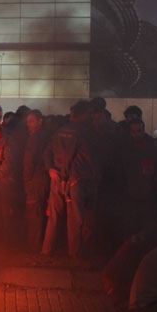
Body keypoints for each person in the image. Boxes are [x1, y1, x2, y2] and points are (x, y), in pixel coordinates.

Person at [42, 101, 98, 260]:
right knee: (74, 219)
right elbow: (72, 157)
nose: (91, 117)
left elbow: (47, 152)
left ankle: (47, 250)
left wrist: (51, 169)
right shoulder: (84, 133)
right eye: (89, 114)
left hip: (56, 178)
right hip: (73, 181)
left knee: (53, 217)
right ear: (84, 114)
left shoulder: (59, 131)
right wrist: (67, 178)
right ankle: (74, 253)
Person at [23, 110, 51, 252]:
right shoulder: (48, 135)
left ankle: (34, 245)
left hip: (35, 179)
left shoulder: (34, 138)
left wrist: (27, 180)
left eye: (31, 121)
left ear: (40, 121)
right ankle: (41, 243)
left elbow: (29, 161)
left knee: (34, 212)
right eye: (28, 121)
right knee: (40, 211)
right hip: (45, 178)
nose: (28, 124)